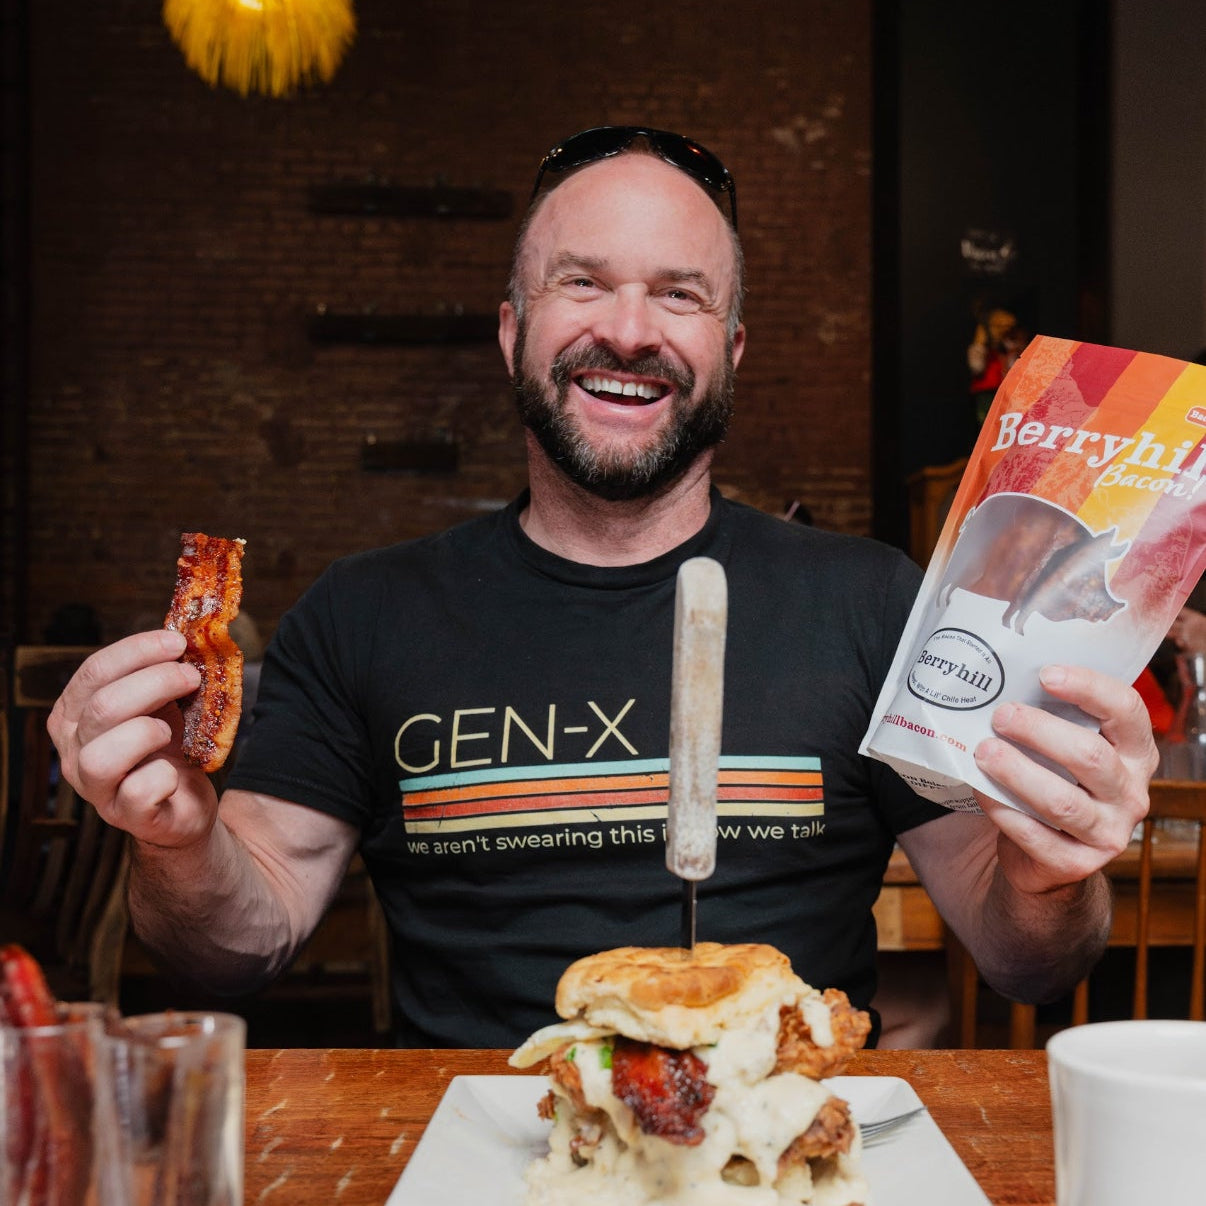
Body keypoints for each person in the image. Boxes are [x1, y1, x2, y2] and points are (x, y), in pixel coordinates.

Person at [46, 126, 1155, 1048]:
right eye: (583, 282)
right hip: (475, 1160)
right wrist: (177, 843)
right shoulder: (365, 614)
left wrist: (1055, 872)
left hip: (777, 1155)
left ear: (732, 348)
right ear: (513, 329)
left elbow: (1020, 959)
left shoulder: (870, 603)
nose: (629, 330)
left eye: (679, 295)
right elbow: (231, 948)